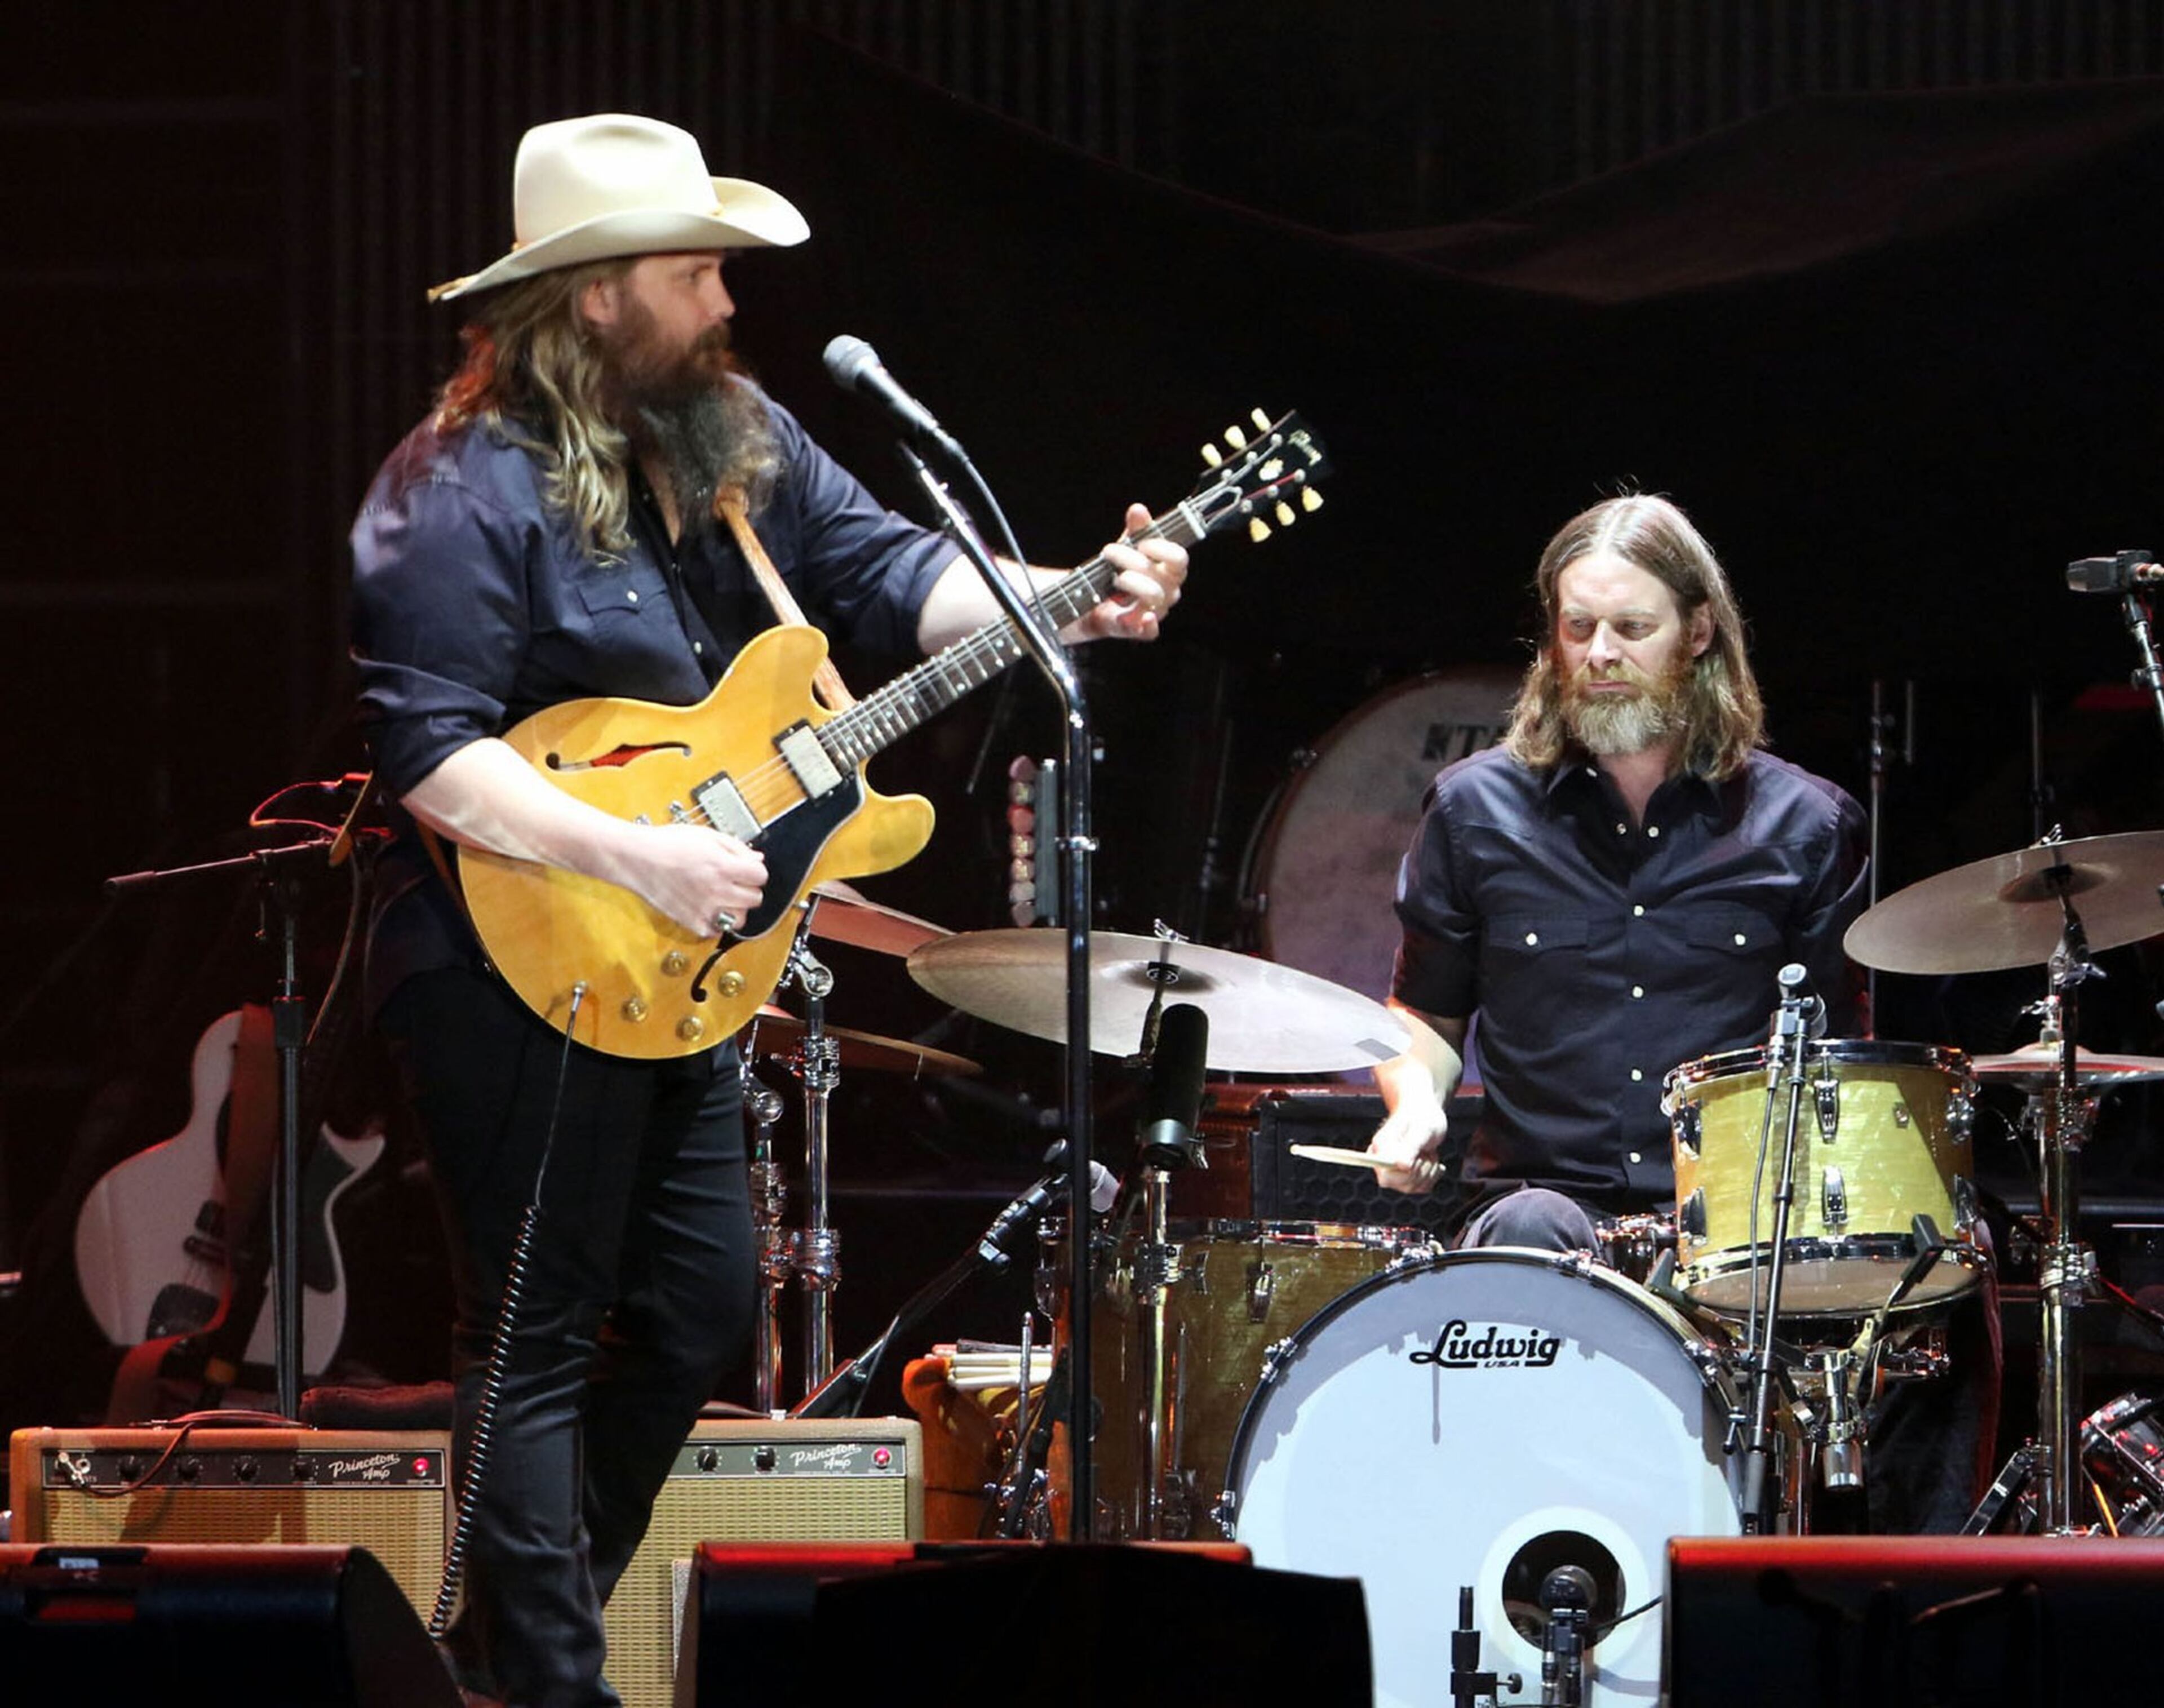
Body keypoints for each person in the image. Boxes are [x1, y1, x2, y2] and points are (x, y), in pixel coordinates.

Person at [348, 113, 1186, 1707]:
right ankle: (549, 1683)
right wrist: (639, 855)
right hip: (503, 951)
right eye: (696, 269)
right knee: (530, 1328)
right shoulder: (456, 488)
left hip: (678, 967)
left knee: (702, 1306)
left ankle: (508, 1646)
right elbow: (432, 757)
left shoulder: (735, 439)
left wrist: (1073, 589)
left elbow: (902, 579)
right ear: (596, 298)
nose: (728, 296)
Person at [1364, 492, 1994, 1533]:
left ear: (1698, 632)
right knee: (1524, 1236)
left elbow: (1838, 1066)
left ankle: (1877, 1613)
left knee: (1940, 1291)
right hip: (1546, 1202)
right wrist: (1413, 1102)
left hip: (1738, 1233)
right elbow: (1424, 1013)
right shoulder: (1474, 810)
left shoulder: (1803, 825)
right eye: (1578, 628)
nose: (1600, 652)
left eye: (1632, 627)